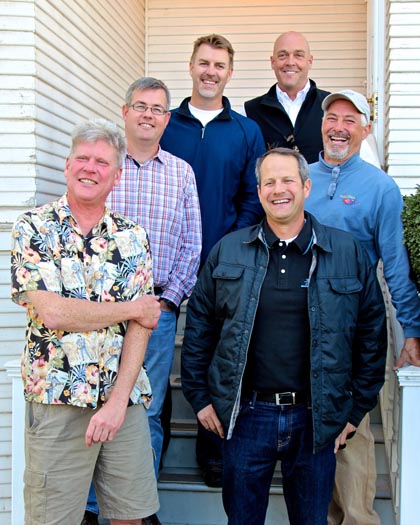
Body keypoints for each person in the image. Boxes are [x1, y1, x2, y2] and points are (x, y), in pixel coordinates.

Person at [181, 147, 387, 525]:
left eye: (288, 180)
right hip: (245, 417)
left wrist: (356, 410)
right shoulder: (228, 251)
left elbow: (371, 334)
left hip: (316, 418)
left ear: (306, 186)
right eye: (269, 182)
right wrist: (199, 398)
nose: (280, 189)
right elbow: (199, 329)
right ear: (258, 191)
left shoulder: (346, 252)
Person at [11, 119, 161, 525]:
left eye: (101, 162)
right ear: (67, 165)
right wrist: (130, 308)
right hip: (58, 397)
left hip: (122, 400)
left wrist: (115, 404)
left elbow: (142, 328)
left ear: (117, 175)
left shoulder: (133, 238)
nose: (89, 168)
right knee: (52, 519)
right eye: (82, 158)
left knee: (131, 516)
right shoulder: (34, 228)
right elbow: (54, 312)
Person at [305, 89, 420, 525]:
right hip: (296, 323)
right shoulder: (301, 178)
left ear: (366, 128)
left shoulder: (381, 188)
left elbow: (395, 265)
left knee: (349, 432)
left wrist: (411, 331)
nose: (338, 127)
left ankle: (357, 519)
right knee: (307, 429)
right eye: (332, 117)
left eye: (350, 120)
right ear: (321, 124)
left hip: (351, 327)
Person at [160, 33, 265, 487]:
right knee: (155, 361)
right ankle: (152, 452)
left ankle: (214, 452)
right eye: (204, 62)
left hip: (223, 264)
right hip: (162, 265)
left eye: (219, 65)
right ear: (191, 66)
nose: (210, 71)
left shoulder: (246, 130)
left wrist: (228, 246)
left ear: (229, 72)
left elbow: (253, 195)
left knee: (217, 360)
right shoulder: (165, 124)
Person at [107, 77, 202, 525]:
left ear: (167, 119)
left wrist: (169, 302)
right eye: (140, 106)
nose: (148, 115)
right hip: (102, 315)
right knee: (98, 402)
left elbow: (191, 245)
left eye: (157, 109)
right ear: (125, 112)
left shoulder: (181, 172)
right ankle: (93, 508)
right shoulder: (107, 165)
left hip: (156, 314)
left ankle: (140, 508)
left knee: (147, 410)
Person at [244, 31, 329, 163]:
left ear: (310, 61)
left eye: (298, 55)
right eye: (283, 55)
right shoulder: (250, 112)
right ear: (273, 62)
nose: (290, 62)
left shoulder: (330, 106)